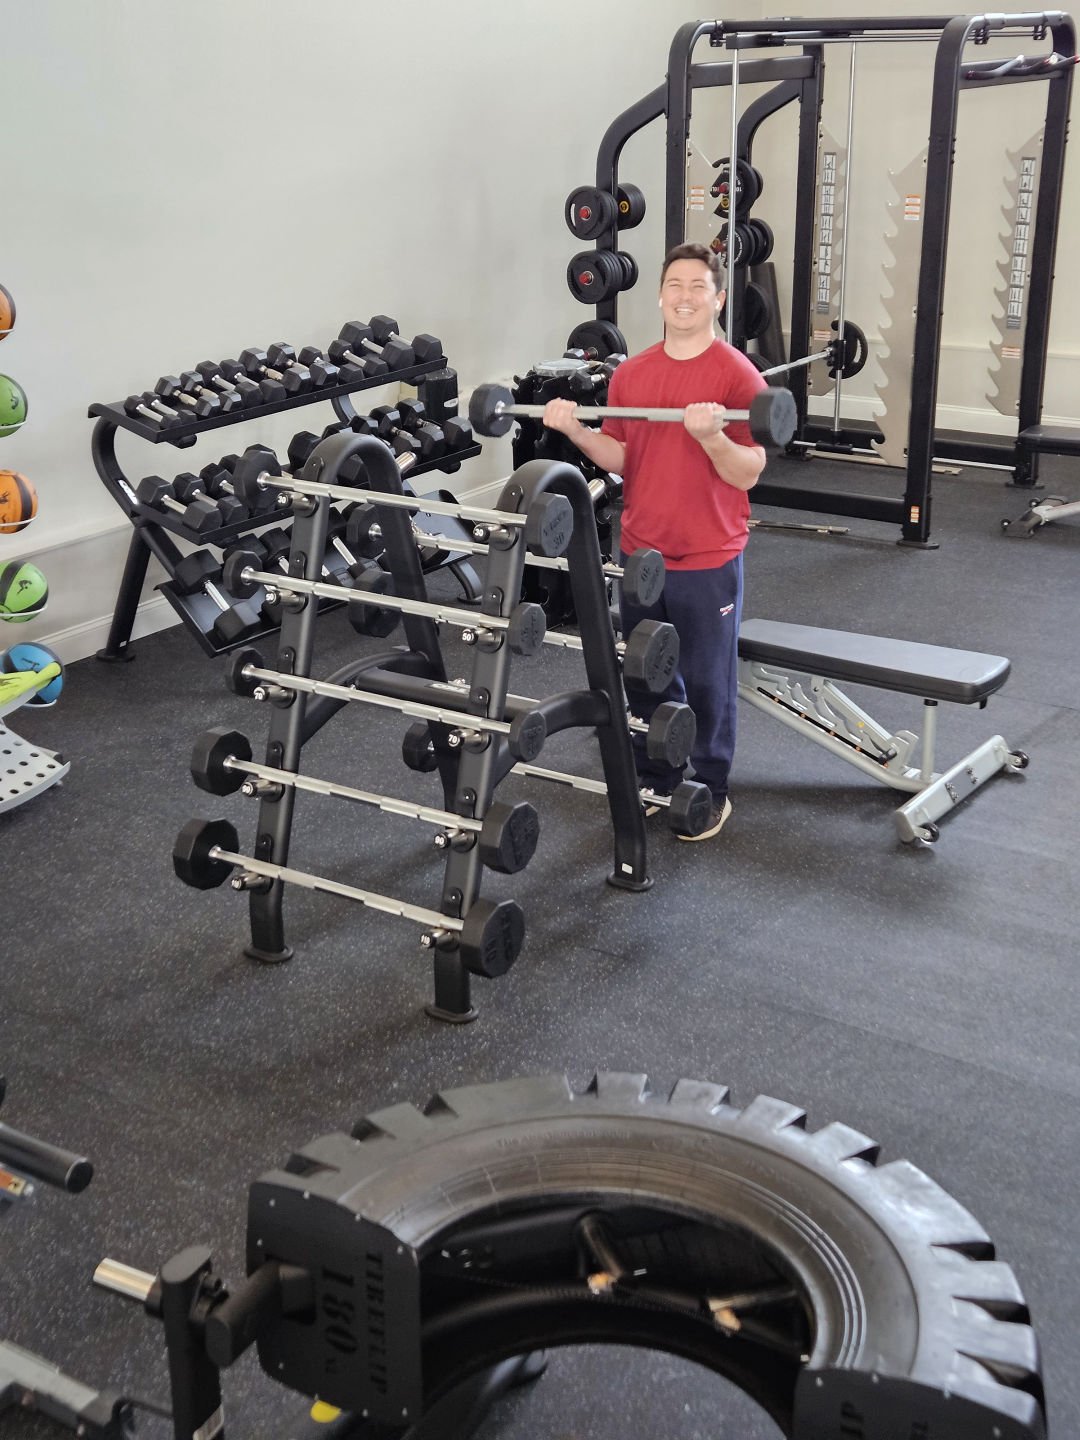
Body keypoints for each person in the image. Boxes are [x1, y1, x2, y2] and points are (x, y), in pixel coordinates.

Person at [543, 241, 768, 840]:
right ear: (661, 296)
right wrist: (576, 431)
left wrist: (713, 437)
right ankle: (658, 777)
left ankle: (710, 788)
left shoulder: (736, 375)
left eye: (698, 287)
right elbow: (623, 457)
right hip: (642, 552)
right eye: (675, 285)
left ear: (719, 299)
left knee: (707, 679)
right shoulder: (633, 374)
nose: (685, 297)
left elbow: (748, 472)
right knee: (646, 674)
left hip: (707, 555)